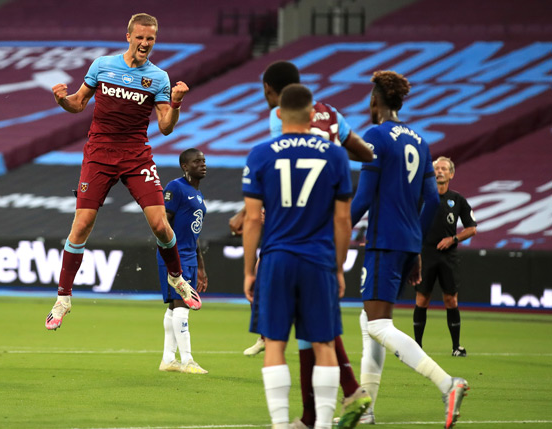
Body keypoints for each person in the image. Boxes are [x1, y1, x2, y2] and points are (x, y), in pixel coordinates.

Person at [237, 60, 372, 429]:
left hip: (277, 258)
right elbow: (344, 220)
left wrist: (250, 271)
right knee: (325, 343)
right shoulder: (334, 156)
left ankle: (282, 425)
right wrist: (339, 266)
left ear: (278, 111)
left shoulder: (261, 153)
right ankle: (323, 423)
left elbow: (252, 218)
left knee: (276, 343)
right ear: (313, 113)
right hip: (319, 258)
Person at [46, 13, 200, 330]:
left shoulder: (158, 77)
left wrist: (176, 104)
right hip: (100, 152)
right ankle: (63, 298)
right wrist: (62, 99)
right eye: (140, 37)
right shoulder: (102, 65)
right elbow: (77, 104)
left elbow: (166, 128)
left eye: (151, 39)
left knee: (160, 225)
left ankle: (177, 278)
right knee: (82, 223)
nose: (145, 44)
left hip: (136, 155)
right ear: (128, 36)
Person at [350, 70, 469, 428]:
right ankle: (367, 409)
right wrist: (416, 245)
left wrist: (334, 228)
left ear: (375, 101)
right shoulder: (419, 140)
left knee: (379, 324)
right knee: (369, 319)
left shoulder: (375, 135)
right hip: (407, 242)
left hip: (383, 242)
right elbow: (431, 199)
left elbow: (363, 197)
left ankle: (448, 384)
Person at [413, 156, 477, 356]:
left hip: (448, 256)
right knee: (422, 299)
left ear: (451, 174)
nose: (439, 171)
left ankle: (456, 346)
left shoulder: (457, 199)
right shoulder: (421, 196)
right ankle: (417, 347)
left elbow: (472, 228)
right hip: (425, 253)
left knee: (451, 300)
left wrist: (453, 239)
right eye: (436, 168)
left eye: (443, 168)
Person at [158, 148, 209, 374]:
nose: (202, 164)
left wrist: (201, 267)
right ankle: (187, 360)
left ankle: (168, 359)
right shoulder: (175, 187)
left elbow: (194, 235)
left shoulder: (197, 194)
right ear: (185, 166)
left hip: (189, 256)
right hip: (175, 255)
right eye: (197, 161)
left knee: (174, 307)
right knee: (182, 306)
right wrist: (170, 254)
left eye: (204, 161)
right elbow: (162, 223)